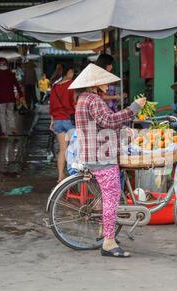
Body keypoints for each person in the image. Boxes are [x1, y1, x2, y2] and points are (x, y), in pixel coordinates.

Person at [70, 63, 146, 258]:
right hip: (100, 156)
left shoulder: (83, 99)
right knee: (111, 198)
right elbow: (108, 121)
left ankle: (106, 233)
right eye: (105, 82)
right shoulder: (93, 99)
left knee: (108, 196)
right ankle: (109, 243)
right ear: (95, 84)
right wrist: (134, 108)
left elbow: (101, 126)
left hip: (94, 153)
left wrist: (122, 132)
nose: (108, 85)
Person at [49, 64, 75, 182]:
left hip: (58, 121)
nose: (73, 74)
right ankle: (74, 176)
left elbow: (52, 105)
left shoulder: (54, 87)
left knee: (63, 149)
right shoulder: (72, 84)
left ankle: (60, 176)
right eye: (72, 72)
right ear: (68, 72)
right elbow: (73, 102)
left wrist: (52, 121)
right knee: (74, 149)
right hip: (69, 119)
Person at [0, 57, 22, 138]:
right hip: (11, 98)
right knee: (10, 113)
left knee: (2, 115)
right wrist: (21, 95)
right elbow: (17, 85)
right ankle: (13, 129)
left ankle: (4, 132)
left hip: (1, 99)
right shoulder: (11, 74)